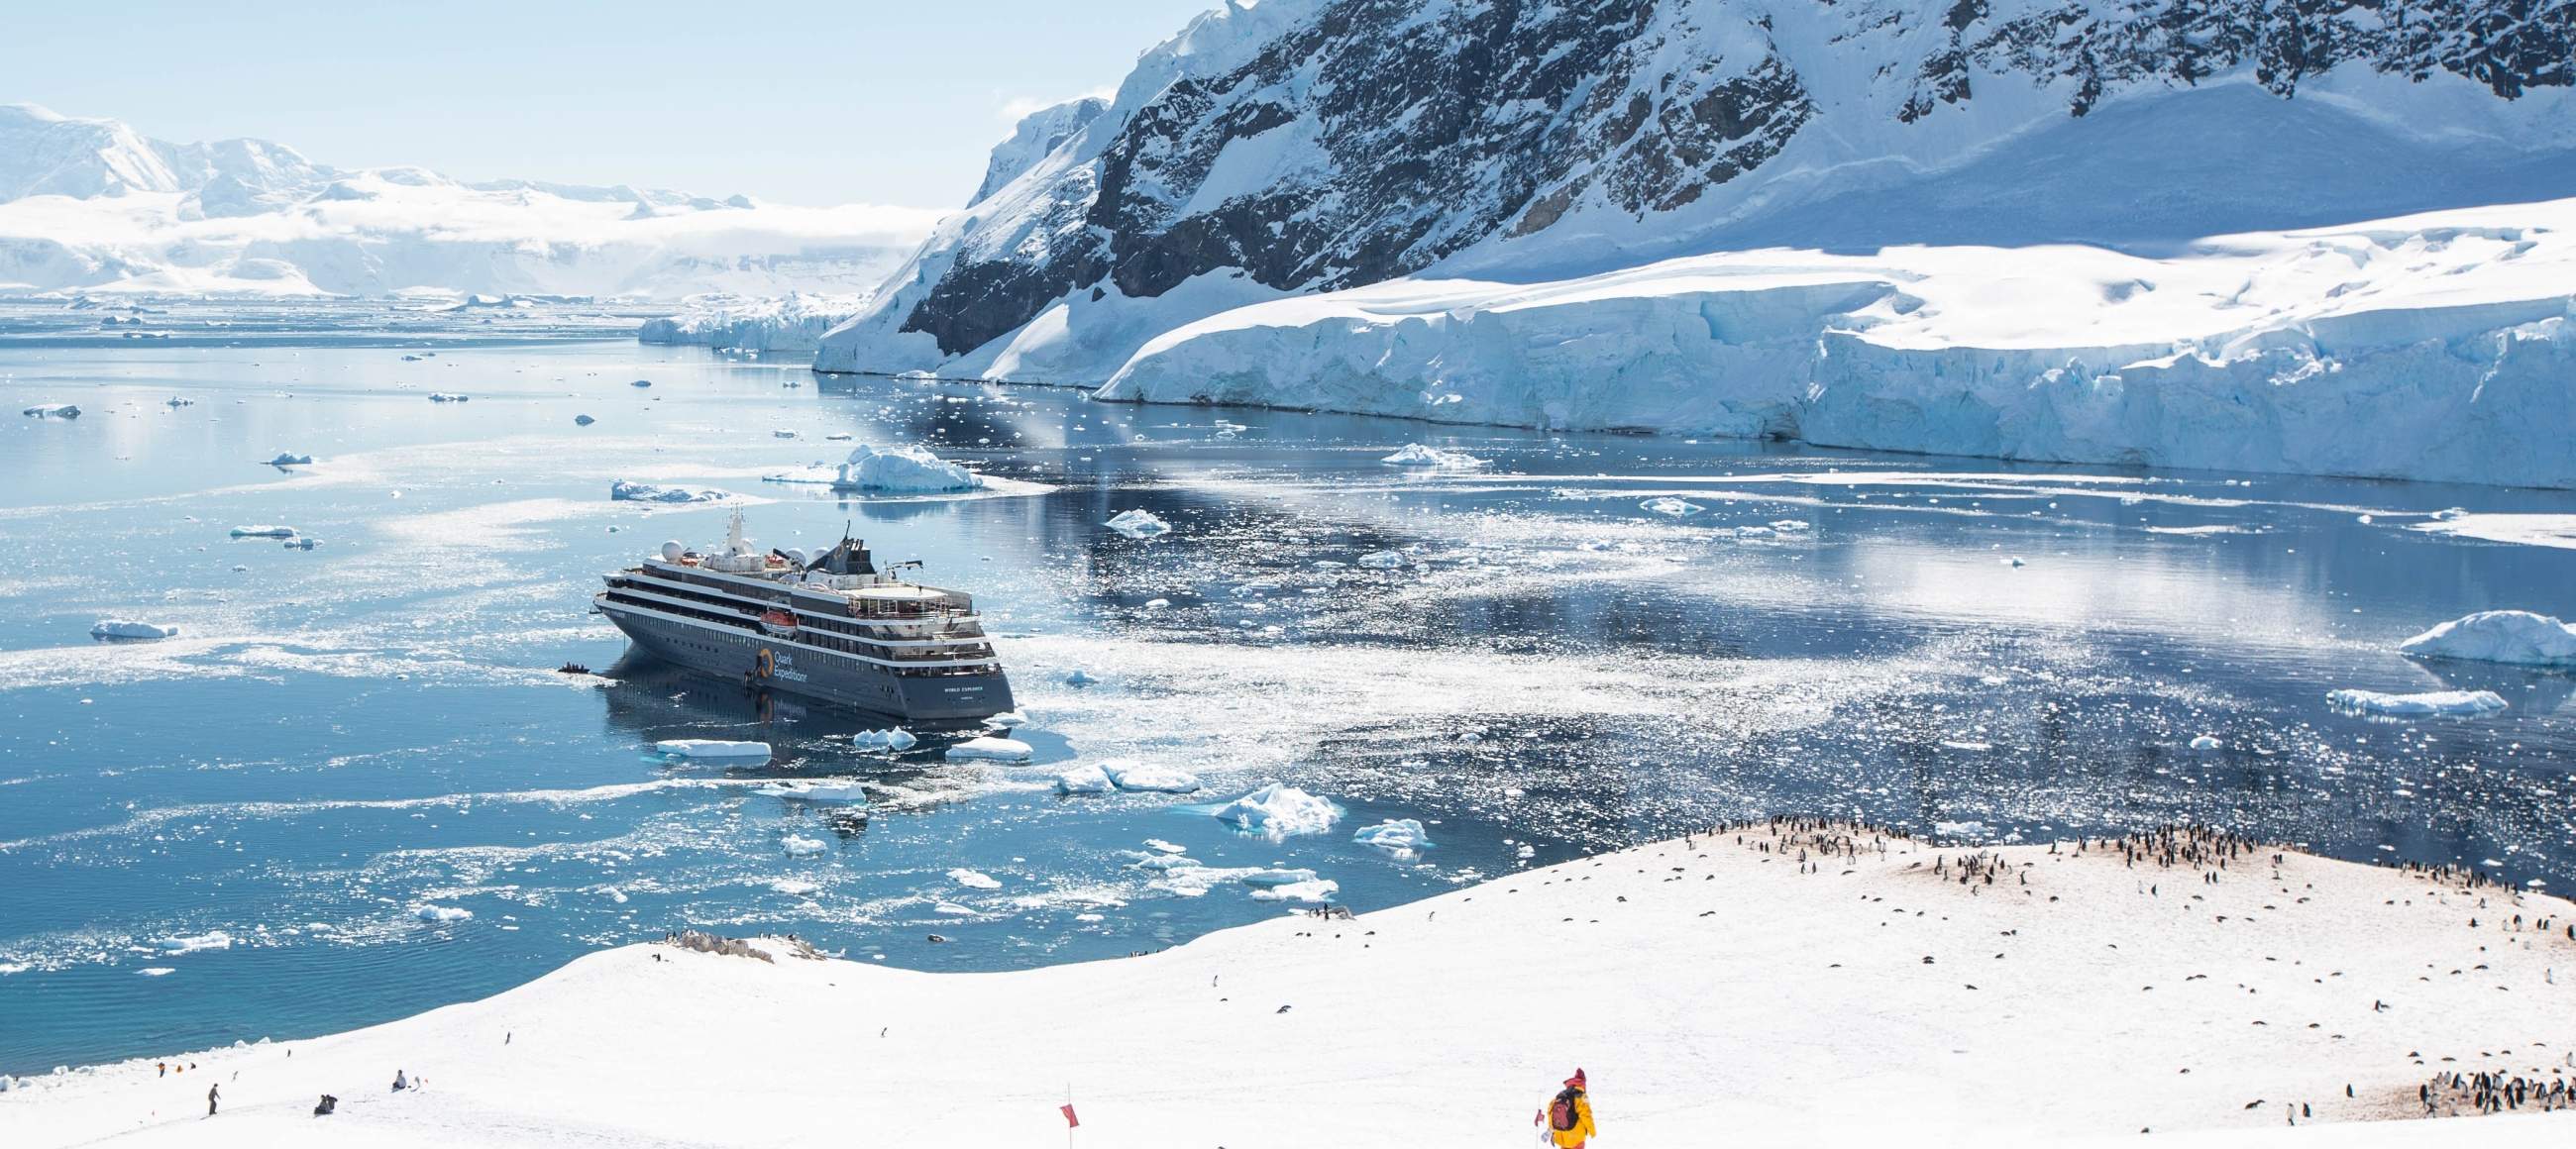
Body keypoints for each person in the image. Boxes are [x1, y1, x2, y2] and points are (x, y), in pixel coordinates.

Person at [1535, 1069, 1594, 1148]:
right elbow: (1586, 1115)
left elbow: (1551, 1112)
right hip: (1575, 1137)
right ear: (1583, 1083)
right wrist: (1592, 1131)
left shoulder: (1561, 1094)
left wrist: (1550, 1130)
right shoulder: (1581, 1096)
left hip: (1561, 1135)